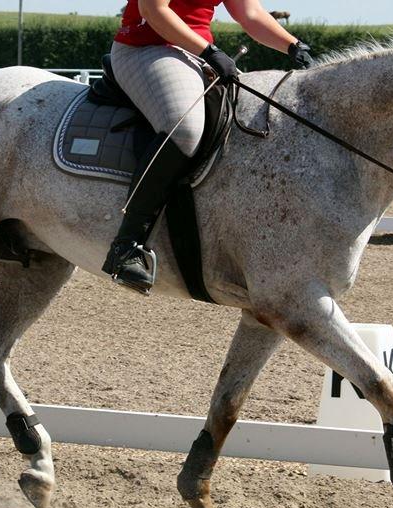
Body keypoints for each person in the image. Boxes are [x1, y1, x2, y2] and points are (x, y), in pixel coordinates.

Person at [101, 0, 313, 293]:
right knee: (185, 129)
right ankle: (126, 245)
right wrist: (210, 52)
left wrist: (293, 46)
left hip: (195, 53)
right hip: (146, 48)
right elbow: (154, 10)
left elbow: (250, 14)